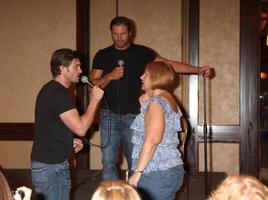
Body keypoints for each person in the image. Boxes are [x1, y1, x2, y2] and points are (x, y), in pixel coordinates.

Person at [89, 16, 212, 180]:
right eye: (115, 34)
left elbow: (168, 65)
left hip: (134, 115)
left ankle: (135, 194)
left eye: (123, 33)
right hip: (108, 115)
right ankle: (112, 196)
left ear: (130, 33)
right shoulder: (103, 55)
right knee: (108, 161)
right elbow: (92, 82)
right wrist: (110, 76)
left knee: (137, 159)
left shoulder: (142, 52)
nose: (118, 38)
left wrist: (196, 69)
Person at [30, 48, 104, 200]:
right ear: (62, 68)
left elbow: (49, 127)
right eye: (76, 66)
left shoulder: (50, 89)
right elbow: (81, 128)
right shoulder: (59, 93)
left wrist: (67, 140)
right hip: (51, 168)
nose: (81, 70)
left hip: (47, 165)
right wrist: (95, 99)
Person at [128, 61, 184, 200]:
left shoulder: (157, 102)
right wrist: (144, 107)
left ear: (155, 77)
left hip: (155, 171)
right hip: (170, 169)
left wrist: (138, 172)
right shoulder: (168, 99)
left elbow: (153, 140)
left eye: (145, 74)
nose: (141, 77)